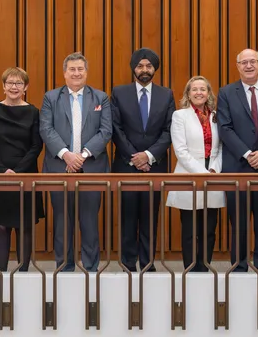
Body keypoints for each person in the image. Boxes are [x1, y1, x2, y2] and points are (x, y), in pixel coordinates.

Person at [39, 52, 112, 272]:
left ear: (86, 72)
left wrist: (83, 155)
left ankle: (90, 267)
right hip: (59, 166)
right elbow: (46, 128)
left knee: (89, 220)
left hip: (92, 167)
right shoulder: (51, 97)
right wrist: (66, 154)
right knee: (62, 220)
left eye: (80, 69)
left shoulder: (101, 98)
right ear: (65, 73)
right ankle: (64, 266)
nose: (76, 73)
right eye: (72, 69)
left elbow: (106, 130)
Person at [216, 48, 258, 271]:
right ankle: (239, 266)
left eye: (253, 61)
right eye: (243, 62)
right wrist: (247, 154)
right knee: (238, 223)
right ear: (237, 66)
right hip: (237, 167)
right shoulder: (226, 92)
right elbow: (225, 128)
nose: (248, 66)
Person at [111, 48, 175, 272]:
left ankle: (148, 262)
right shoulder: (119, 93)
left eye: (149, 66)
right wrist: (134, 157)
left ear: (155, 69)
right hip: (126, 165)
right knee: (127, 216)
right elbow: (115, 128)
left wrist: (148, 155)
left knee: (150, 215)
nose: (144, 70)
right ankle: (128, 263)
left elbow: (169, 131)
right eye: (140, 66)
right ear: (133, 68)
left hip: (155, 166)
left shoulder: (166, 95)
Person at [0, 67, 44, 271]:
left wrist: (18, 171)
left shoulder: (33, 112)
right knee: (1, 224)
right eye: (10, 83)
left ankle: (23, 271)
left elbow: (36, 145)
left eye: (18, 83)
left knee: (24, 225)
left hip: (26, 172)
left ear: (25, 87)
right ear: (3, 86)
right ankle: (2, 272)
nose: (14, 87)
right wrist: (2, 170)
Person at [166, 76, 223, 272]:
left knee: (209, 229)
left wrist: (214, 170)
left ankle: (205, 266)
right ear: (188, 94)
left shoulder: (217, 116)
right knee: (190, 229)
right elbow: (180, 151)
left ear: (209, 93)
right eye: (194, 89)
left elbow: (222, 147)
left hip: (214, 174)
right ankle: (190, 268)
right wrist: (202, 173)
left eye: (203, 89)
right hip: (189, 173)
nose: (199, 92)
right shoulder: (180, 116)